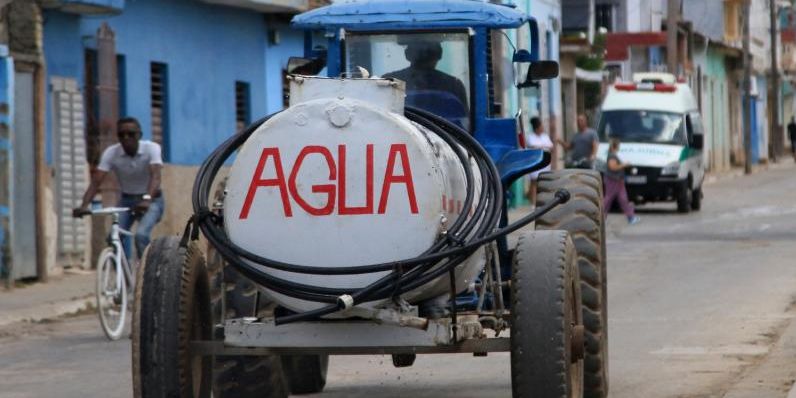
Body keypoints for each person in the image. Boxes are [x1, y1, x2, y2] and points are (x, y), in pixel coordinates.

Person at [73, 117, 165, 258]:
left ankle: (148, 274)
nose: (126, 138)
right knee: (113, 238)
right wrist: (84, 205)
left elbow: (156, 176)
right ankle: (119, 275)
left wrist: (147, 199)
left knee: (141, 235)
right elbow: (96, 181)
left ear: (139, 135)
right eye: (121, 134)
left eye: (131, 134)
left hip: (152, 200)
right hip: (127, 201)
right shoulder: (111, 153)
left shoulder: (152, 148)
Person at [383, 39, 468, 110]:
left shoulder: (389, 81)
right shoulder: (454, 85)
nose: (424, 55)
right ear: (440, 55)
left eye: (429, 52)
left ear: (407, 54)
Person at [603, 138, 640, 225]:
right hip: (613, 180)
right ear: (616, 146)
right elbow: (613, 167)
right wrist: (624, 164)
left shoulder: (613, 155)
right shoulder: (612, 156)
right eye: (618, 145)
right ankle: (600, 217)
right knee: (608, 199)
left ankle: (631, 217)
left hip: (618, 181)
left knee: (623, 199)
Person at [525, 116, 554, 203]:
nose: (543, 128)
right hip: (535, 163)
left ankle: (542, 201)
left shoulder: (545, 136)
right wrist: (543, 146)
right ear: (537, 128)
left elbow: (551, 147)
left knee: (543, 182)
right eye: (541, 126)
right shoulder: (531, 137)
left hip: (545, 164)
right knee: (534, 182)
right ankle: (533, 202)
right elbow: (532, 147)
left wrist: (541, 147)